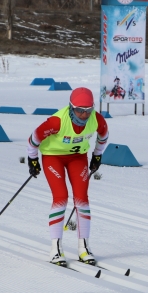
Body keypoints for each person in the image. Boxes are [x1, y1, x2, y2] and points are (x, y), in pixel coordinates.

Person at [26, 87, 109, 267]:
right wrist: (32, 159)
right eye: (79, 110)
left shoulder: (96, 119)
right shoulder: (56, 122)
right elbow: (34, 138)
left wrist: (97, 155)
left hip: (77, 157)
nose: (84, 114)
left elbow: (104, 136)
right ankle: (55, 248)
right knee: (61, 197)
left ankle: (83, 248)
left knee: (82, 199)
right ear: (71, 107)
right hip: (53, 157)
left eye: (88, 110)